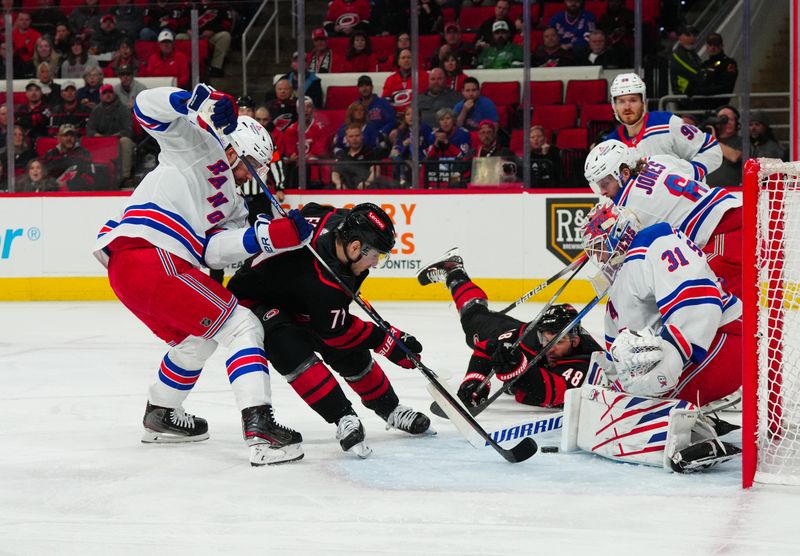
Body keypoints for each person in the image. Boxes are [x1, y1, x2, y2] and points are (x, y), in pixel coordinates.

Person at [93, 84, 314, 465]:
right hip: (151, 254)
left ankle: (160, 415)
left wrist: (275, 236)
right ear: (234, 148)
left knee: (198, 340)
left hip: (133, 270)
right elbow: (146, 108)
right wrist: (197, 99)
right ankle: (260, 428)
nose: (252, 174)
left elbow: (215, 249)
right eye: (251, 164)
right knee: (242, 325)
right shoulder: (199, 146)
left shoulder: (233, 204)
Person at [227, 203, 432, 458]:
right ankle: (343, 417)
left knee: (348, 349)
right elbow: (337, 334)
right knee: (289, 347)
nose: (377, 263)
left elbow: (312, 208)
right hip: (255, 301)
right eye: (376, 255)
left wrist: (389, 337)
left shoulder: (340, 223)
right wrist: (387, 341)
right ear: (356, 247)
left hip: (298, 297)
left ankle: (390, 408)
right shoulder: (325, 282)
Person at [564, 201, 742, 472]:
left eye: (600, 246)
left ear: (618, 233)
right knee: (631, 395)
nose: (599, 258)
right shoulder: (623, 278)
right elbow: (623, 343)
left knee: (641, 408)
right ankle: (694, 423)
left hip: (727, 337)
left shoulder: (653, 240)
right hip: (717, 341)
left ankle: (688, 435)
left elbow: (700, 297)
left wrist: (672, 353)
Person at [416, 248, 602, 408]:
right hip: (513, 330)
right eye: (545, 338)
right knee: (474, 318)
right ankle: (453, 270)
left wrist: (517, 371)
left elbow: (554, 394)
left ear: (575, 340)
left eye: (559, 341)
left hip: (538, 370)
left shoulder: (588, 359)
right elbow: (485, 349)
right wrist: (474, 382)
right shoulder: (531, 337)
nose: (549, 346)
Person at [583, 139, 742, 298]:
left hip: (726, 233)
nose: (602, 192)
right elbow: (694, 172)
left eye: (606, 183)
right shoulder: (655, 160)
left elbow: (630, 263)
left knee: (714, 303)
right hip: (735, 212)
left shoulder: (633, 208)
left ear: (624, 173)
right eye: (598, 185)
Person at [605, 73, 722, 182]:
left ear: (643, 102)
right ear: (614, 106)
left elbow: (711, 149)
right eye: (621, 101)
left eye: (633, 100)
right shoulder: (611, 144)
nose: (627, 107)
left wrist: (692, 172)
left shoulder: (667, 123)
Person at [86, 84, 135, 186]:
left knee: (125, 141)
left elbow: (128, 129)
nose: (108, 95)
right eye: (105, 93)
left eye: (110, 92)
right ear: (100, 96)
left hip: (118, 140)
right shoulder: (96, 111)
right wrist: (96, 135)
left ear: (114, 94)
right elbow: (89, 129)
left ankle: (125, 177)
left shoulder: (123, 109)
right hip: (101, 141)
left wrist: (114, 137)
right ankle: (92, 176)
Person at [688, 33, 739, 110]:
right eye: (710, 44)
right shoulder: (705, 65)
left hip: (717, 108)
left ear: (721, 46)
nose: (712, 48)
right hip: (699, 108)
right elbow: (693, 84)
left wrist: (700, 91)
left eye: (716, 45)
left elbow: (724, 87)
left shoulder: (728, 64)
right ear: (706, 46)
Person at [41, 123, 94, 190]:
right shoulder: (50, 155)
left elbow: (90, 178)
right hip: (53, 192)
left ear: (75, 138)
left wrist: (68, 184)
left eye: (72, 135)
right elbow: (43, 177)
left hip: (76, 193)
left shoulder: (83, 153)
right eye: (65, 135)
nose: (69, 138)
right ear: (59, 138)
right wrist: (55, 184)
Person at [390, 105, 432, 186]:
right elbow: (398, 148)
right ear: (404, 117)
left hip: (422, 159)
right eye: (408, 114)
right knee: (395, 156)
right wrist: (403, 144)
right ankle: (401, 181)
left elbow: (430, 146)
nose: (411, 117)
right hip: (406, 160)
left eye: (414, 114)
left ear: (419, 117)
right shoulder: (401, 130)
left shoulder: (425, 128)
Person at [705, 105, 743, 188]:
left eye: (731, 119)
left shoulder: (742, 141)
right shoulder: (705, 140)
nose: (728, 122)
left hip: (731, 192)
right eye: (724, 119)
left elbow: (734, 157)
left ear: (736, 122)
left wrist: (714, 141)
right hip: (706, 191)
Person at [332, 124, 380, 189]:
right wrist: (338, 183)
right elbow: (335, 173)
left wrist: (368, 182)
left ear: (362, 136)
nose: (354, 139)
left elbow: (375, 171)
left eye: (357, 135)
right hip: (345, 188)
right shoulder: (342, 154)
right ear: (346, 138)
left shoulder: (370, 152)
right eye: (351, 136)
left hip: (363, 186)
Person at [381, 48, 428, 114]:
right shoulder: (390, 80)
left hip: (417, 117)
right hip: (396, 117)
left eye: (409, 57)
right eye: (403, 58)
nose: (406, 60)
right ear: (398, 61)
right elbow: (385, 102)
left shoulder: (424, 77)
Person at [670, 24, 702, 97]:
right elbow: (695, 72)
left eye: (694, 35)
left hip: (692, 94)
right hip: (684, 96)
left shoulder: (692, 53)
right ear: (680, 37)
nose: (692, 38)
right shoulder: (678, 54)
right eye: (688, 35)